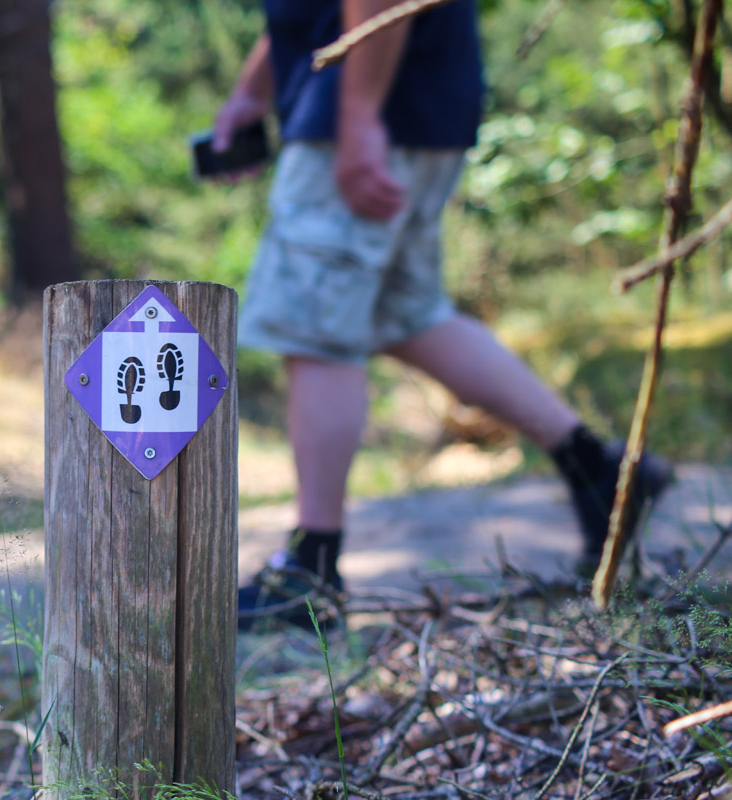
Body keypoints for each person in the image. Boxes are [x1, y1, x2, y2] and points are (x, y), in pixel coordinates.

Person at [215, 0, 673, 625]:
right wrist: (254, 90)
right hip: (412, 104)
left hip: (360, 108)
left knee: (316, 334)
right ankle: (601, 470)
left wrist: (355, 121)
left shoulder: (355, 116)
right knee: (409, 317)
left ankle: (310, 571)